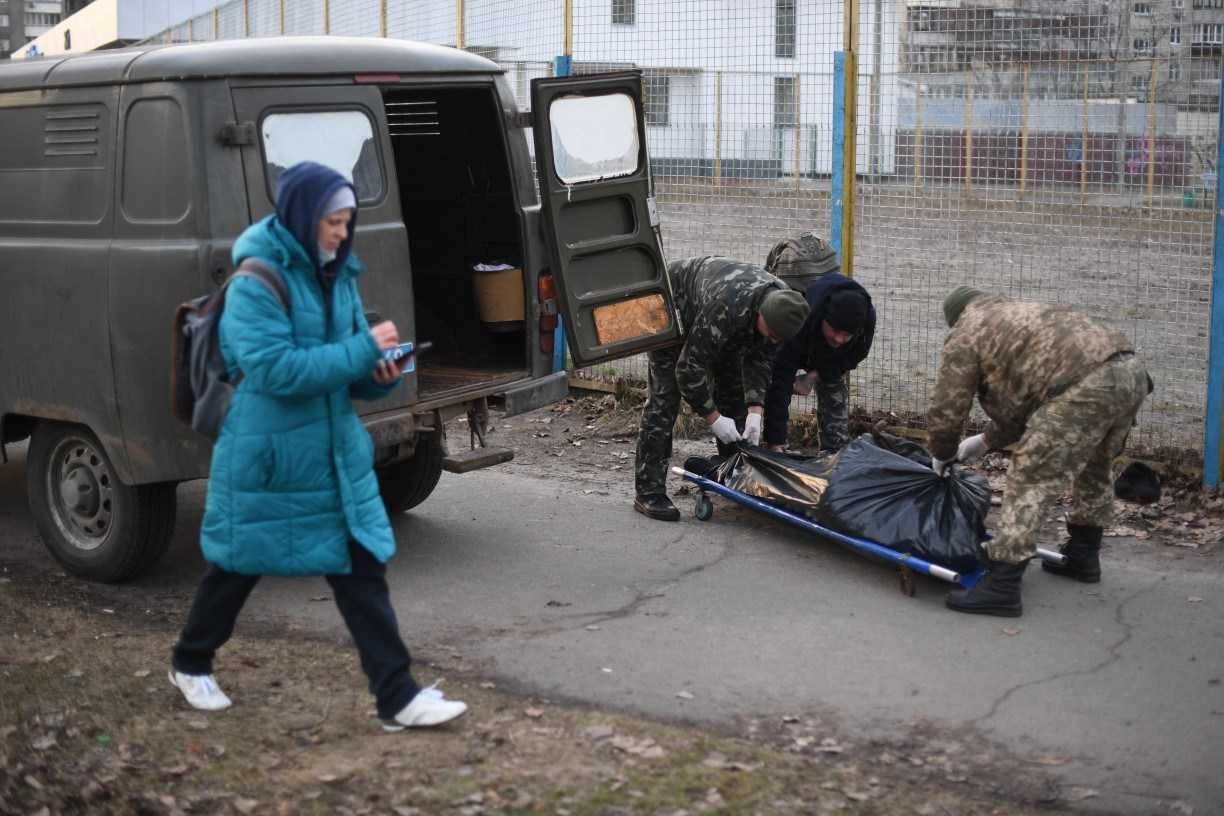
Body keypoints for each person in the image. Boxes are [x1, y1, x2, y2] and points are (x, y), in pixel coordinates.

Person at [169, 161, 467, 730]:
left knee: (360, 569)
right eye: (332, 220)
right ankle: (189, 660)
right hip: (270, 454)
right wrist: (359, 354)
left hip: (333, 450)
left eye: (348, 219)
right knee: (237, 563)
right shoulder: (256, 282)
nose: (340, 230)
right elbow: (274, 372)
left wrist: (376, 372)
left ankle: (396, 696)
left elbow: (345, 371)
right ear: (303, 217)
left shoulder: (339, 275)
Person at [928, 286, 1152, 617]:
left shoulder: (968, 330)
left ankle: (1003, 585)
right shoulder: (1015, 317)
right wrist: (986, 440)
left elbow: (948, 406)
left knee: (1030, 475)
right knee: (1096, 463)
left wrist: (942, 450)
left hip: (1086, 385)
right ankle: (1083, 554)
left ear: (955, 317)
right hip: (1131, 372)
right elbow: (1024, 401)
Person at [635, 256, 810, 521]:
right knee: (664, 400)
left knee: (732, 392)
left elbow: (760, 359)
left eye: (778, 338)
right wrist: (713, 418)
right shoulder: (727, 306)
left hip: (722, 319)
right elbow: (688, 369)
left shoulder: (783, 312)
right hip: (670, 305)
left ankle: (734, 473)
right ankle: (649, 492)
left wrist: (755, 410)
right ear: (761, 315)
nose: (773, 340)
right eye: (772, 334)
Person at [761, 232, 875, 453]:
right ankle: (760, 441)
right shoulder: (798, 320)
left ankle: (835, 455)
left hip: (827, 358)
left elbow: (851, 358)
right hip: (800, 341)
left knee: (834, 389)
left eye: (847, 335)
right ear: (823, 318)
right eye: (835, 331)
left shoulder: (865, 321)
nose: (840, 339)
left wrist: (814, 376)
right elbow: (782, 378)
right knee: (768, 383)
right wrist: (776, 442)